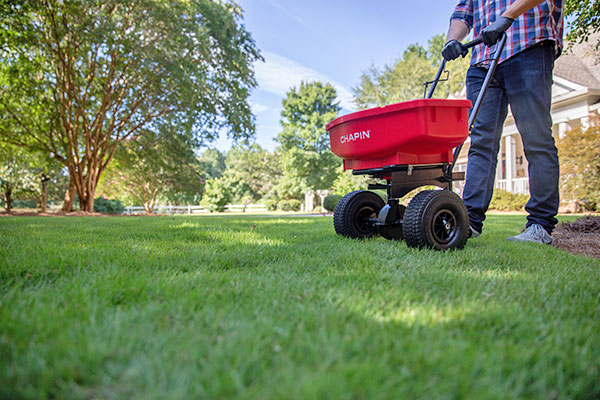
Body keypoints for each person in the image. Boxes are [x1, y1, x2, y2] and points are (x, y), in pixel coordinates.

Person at [442, 0, 564, 244]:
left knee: (535, 137)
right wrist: (452, 41)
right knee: (480, 144)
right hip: (481, 60)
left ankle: (540, 225)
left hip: (526, 44)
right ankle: (469, 221)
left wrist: (507, 17)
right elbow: (463, 13)